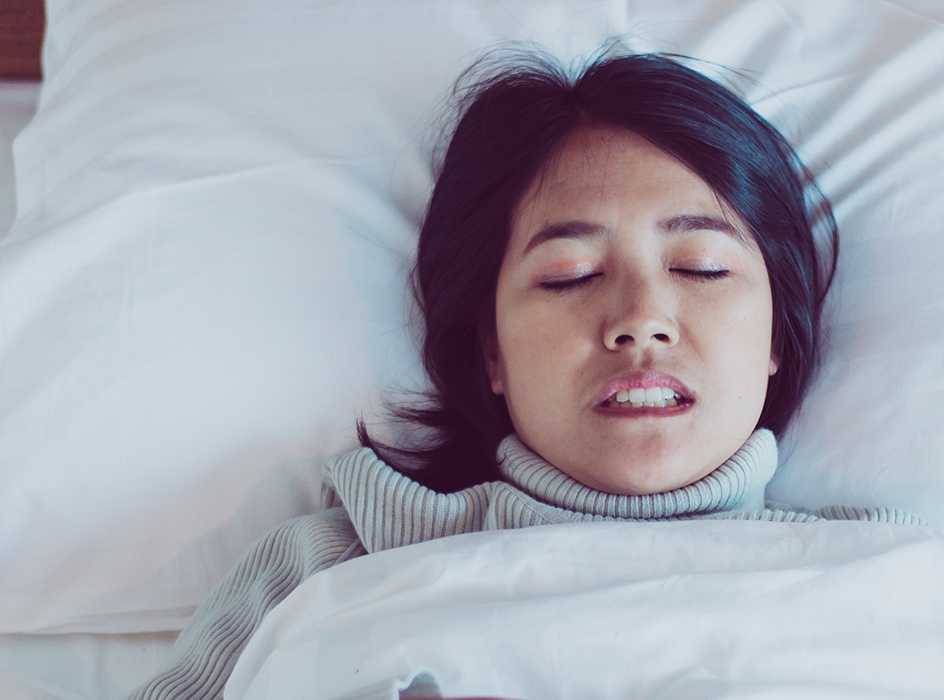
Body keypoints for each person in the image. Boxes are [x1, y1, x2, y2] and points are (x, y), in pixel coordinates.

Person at [127, 50, 923, 700]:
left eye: (702, 267)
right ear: (490, 353)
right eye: (570, 274)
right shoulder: (329, 566)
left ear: (778, 336)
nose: (641, 317)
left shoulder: (887, 578)